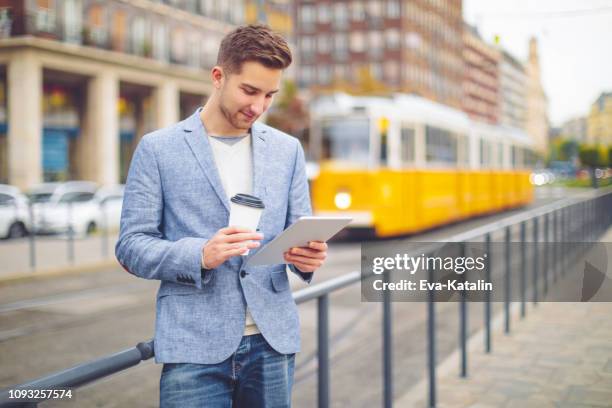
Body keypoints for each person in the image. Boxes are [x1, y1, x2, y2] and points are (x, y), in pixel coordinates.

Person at [115, 24, 327, 407]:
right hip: (193, 346)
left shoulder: (288, 150)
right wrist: (199, 254)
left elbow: (299, 232)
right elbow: (131, 246)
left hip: (272, 342)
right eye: (249, 91)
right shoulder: (158, 149)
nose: (259, 107)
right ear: (218, 76)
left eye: (269, 95)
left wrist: (307, 259)